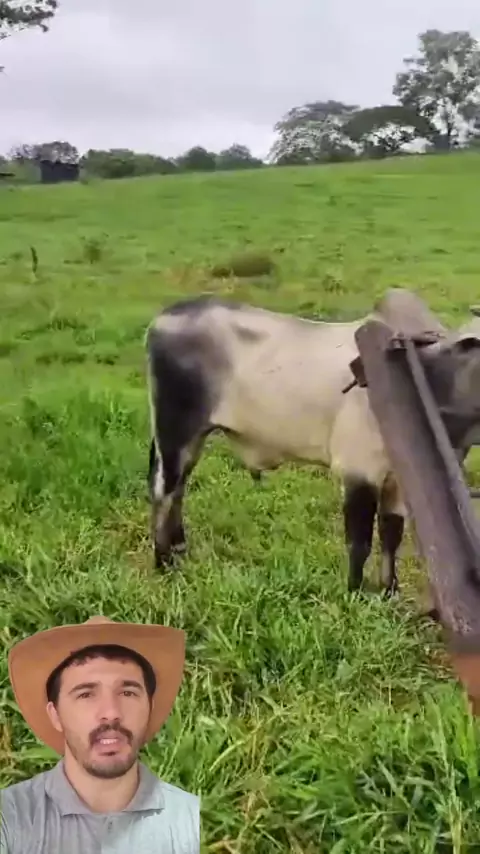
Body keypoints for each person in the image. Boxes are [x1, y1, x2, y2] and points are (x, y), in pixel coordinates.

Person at [0, 615, 200, 853]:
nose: (111, 713)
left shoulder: (191, 819)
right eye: (86, 695)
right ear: (55, 715)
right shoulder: (9, 815)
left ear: (150, 708)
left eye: (127, 693)